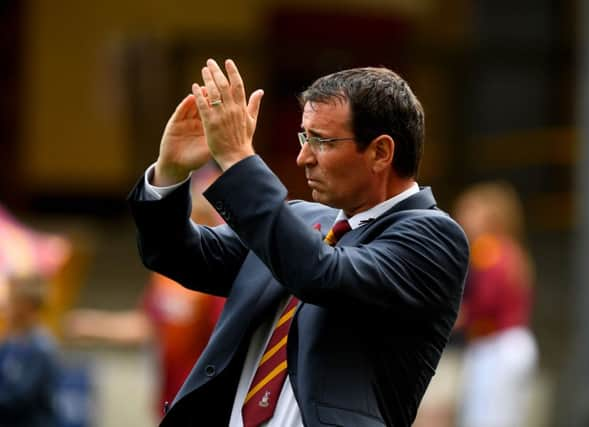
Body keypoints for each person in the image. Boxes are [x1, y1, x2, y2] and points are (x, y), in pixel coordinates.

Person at [128, 59, 469, 426]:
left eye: (320, 141)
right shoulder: (301, 221)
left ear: (380, 152)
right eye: (304, 137)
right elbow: (179, 253)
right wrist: (170, 173)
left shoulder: (433, 236)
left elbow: (319, 274)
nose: (302, 157)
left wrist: (237, 159)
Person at [65, 164, 225, 417]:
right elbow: (149, 326)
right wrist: (94, 325)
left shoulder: (222, 277)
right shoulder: (169, 275)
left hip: (212, 406)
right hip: (172, 401)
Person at [453, 181, 538, 427]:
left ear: (491, 217)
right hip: (512, 344)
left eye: (470, 211)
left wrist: (451, 318)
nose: (462, 218)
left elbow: (483, 303)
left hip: (496, 346)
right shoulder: (511, 250)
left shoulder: (488, 251)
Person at [0, 274, 62, 426]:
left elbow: (20, 398)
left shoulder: (41, 347)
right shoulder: (9, 342)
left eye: (11, 301)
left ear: (26, 305)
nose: (5, 306)